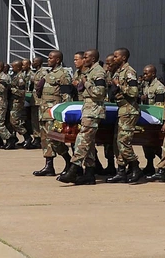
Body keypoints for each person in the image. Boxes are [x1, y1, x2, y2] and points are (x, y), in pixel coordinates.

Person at [61, 49, 107, 185]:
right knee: (89, 143)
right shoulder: (90, 71)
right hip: (87, 109)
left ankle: (74, 169)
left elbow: (100, 92)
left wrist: (85, 83)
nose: (84, 58)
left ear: (92, 59)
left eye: (86, 57)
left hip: (94, 110)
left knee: (82, 139)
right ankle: (90, 173)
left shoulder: (98, 72)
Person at [31, 52, 73, 176]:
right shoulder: (48, 73)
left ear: (58, 60)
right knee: (45, 139)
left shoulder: (63, 74)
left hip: (54, 112)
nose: (48, 60)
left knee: (55, 139)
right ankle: (49, 166)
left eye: (51, 58)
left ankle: (68, 161)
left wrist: (64, 114)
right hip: (44, 111)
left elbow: (66, 96)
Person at [106, 48, 144, 184]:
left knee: (123, 142)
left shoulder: (129, 72)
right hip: (122, 110)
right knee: (118, 142)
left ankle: (136, 167)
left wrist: (119, 85)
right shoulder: (118, 72)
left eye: (116, 56)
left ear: (123, 58)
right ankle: (121, 171)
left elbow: (134, 92)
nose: (113, 58)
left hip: (129, 110)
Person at [140, 64, 165, 175]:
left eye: (147, 73)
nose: (144, 75)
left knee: (154, 143)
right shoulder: (145, 85)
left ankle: (163, 160)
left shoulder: (159, 87)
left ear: (153, 74)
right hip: (147, 118)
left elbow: (160, 106)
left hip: (155, 120)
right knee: (146, 143)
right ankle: (149, 165)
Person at [8, 60, 32, 148]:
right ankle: (15, 138)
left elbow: (22, 92)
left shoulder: (20, 77)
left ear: (18, 67)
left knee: (14, 121)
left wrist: (11, 89)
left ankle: (27, 137)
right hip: (13, 101)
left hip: (17, 102)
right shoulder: (14, 76)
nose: (12, 68)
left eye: (13, 66)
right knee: (13, 121)